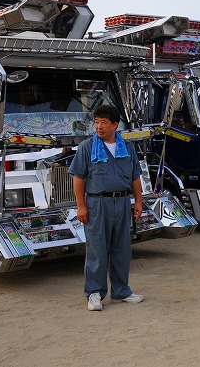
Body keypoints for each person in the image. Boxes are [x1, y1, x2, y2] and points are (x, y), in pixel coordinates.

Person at [68, 105, 144, 311]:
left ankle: (121, 290)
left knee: (122, 249)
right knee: (97, 250)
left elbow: (135, 176)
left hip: (122, 202)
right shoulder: (87, 147)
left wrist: (138, 201)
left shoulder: (126, 147)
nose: (99, 127)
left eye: (103, 122)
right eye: (96, 122)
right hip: (97, 203)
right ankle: (94, 293)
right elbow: (78, 178)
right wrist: (81, 205)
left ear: (115, 125)